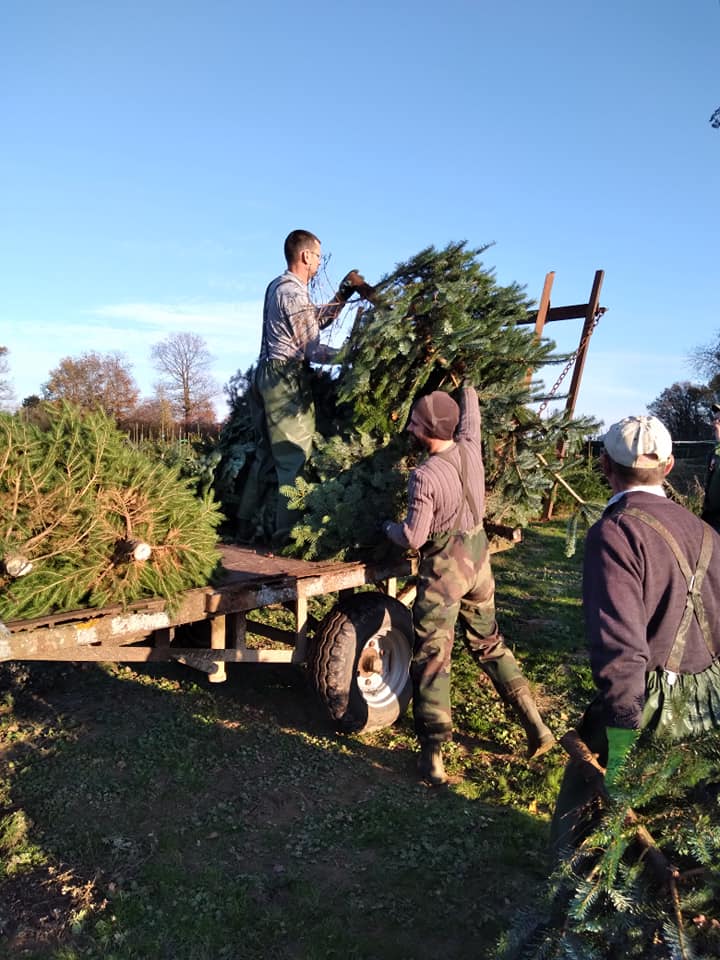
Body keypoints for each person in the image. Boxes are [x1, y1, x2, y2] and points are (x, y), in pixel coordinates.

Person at [551, 414, 720, 855]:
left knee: (583, 823)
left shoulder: (616, 533)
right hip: (708, 705)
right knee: (684, 828)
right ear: (668, 467)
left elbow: (621, 649)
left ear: (605, 466)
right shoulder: (707, 533)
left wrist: (621, 744)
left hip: (645, 707)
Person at [382, 384, 555, 786]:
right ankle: (535, 724)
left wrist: (386, 527)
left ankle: (432, 753)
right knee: (489, 642)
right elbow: (471, 413)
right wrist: (467, 386)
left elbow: (413, 537)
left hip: (445, 571)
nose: (409, 430)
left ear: (427, 431)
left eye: (414, 425)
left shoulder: (424, 476)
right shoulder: (470, 447)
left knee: (433, 654)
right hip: (478, 561)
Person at [237, 229, 371, 548]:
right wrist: (351, 354)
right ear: (305, 255)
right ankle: (288, 539)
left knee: (266, 456)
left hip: (266, 374)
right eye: (318, 257)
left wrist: (342, 296)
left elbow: (313, 320)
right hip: (285, 379)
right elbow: (312, 349)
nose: (320, 263)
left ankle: (243, 528)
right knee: (293, 458)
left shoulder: (279, 287)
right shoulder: (293, 293)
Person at [700, 403, 720, 532]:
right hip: (711, 520)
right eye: (715, 419)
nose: (715, 424)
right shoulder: (714, 452)